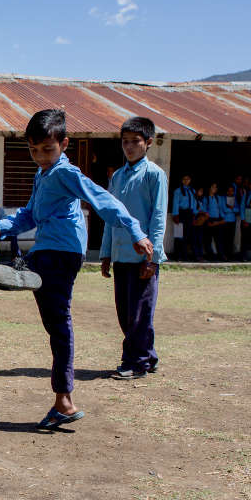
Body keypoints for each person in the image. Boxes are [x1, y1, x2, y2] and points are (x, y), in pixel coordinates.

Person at [0, 109, 153, 429]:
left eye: (47, 149)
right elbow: (29, 215)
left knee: (58, 324)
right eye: (33, 150)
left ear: (64, 143)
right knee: (52, 319)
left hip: (62, 252)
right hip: (47, 248)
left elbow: (102, 199)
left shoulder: (65, 173)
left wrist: (136, 232)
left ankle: (64, 399)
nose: (40, 157)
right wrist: (2, 226)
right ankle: (22, 269)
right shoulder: (42, 175)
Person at [100, 117, 167, 380]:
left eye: (135, 142)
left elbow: (158, 217)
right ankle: (147, 356)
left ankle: (135, 361)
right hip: (121, 255)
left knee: (140, 311)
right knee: (126, 312)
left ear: (148, 143)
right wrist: (106, 253)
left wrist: (153, 257)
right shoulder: (117, 176)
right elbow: (110, 217)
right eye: (125, 142)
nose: (129, 147)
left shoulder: (154, 175)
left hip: (143, 257)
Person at [171, 175, 198, 260]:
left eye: (188, 179)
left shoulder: (192, 191)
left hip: (189, 214)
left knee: (187, 235)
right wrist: (175, 215)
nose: (186, 181)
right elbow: (175, 203)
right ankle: (177, 256)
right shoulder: (178, 191)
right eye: (184, 179)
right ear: (182, 181)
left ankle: (185, 255)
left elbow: (194, 203)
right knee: (179, 235)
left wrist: (194, 214)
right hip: (181, 213)